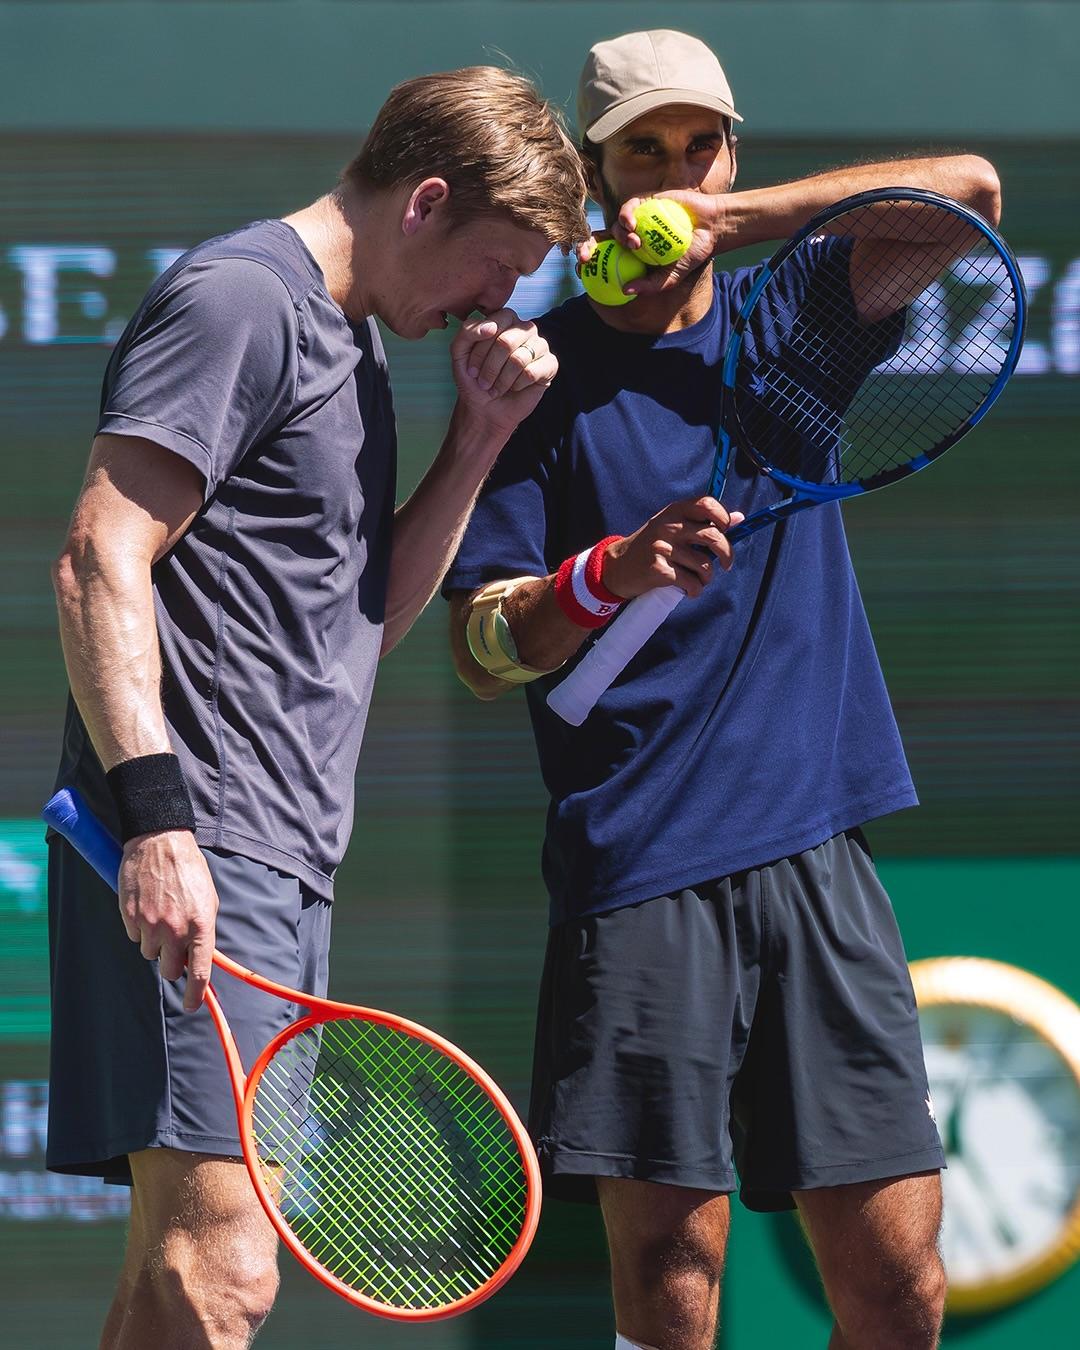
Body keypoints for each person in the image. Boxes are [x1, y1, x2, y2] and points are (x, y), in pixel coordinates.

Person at [446, 30, 1002, 1350]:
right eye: (645, 152)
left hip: (815, 848)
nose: (677, 173)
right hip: (639, 864)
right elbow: (478, 646)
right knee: (674, 1277)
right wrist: (606, 576)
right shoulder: (535, 380)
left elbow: (970, 194)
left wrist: (729, 225)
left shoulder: (791, 321)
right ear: (594, 177)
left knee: (900, 1288)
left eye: (702, 147)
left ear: (732, 160)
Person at [46, 66, 587, 1349]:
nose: (499, 304)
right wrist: (160, 824)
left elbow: (365, 622)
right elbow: (98, 557)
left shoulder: (355, 347)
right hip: (202, 841)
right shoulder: (241, 301)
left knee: (175, 1278)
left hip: (283, 865)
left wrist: (479, 438)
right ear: (427, 201)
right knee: (223, 1272)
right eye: (497, 267)